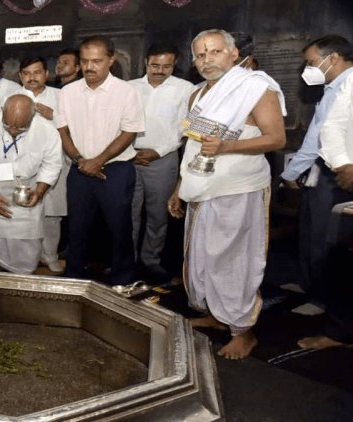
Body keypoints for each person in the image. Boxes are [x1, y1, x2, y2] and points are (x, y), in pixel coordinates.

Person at [167, 29, 286, 360]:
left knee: (233, 259)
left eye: (215, 52)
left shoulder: (256, 88)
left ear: (234, 54)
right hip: (200, 187)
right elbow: (193, 145)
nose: (207, 60)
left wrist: (227, 146)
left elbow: (276, 139)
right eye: (201, 55)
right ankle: (219, 316)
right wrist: (180, 187)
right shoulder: (197, 95)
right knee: (202, 257)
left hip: (239, 187)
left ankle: (243, 331)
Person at [57, 36, 145, 284]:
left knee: (119, 228)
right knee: (77, 228)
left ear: (111, 60)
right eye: (84, 61)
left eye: (96, 61)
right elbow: (62, 130)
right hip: (79, 169)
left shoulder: (127, 92)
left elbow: (129, 132)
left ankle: (123, 281)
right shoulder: (68, 92)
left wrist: (98, 160)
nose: (89, 67)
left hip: (115, 170)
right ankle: (74, 278)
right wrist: (79, 159)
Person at [281, 35, 353, 312]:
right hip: (323, 169)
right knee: (310, 229)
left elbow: (319, 138)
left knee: (327, 237)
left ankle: (321, 298)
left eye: (311, 62)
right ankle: (308, 283)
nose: (307, 69)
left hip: (338, 171)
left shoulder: (346, 86)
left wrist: (292, 171)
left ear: (332, 58)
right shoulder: (333, 87)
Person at [0, 94, 62, 273]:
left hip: (27, 193)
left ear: (33, 116)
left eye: (20, 127)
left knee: (27, 247)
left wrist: (40, 192)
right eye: (8, 125)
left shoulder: (47, 131)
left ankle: (22, 278)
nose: (12, 130)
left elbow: (52, 166)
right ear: (2, 111)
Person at [127, 43, 194, 280]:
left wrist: (159, 151)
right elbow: (119, 122)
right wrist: (128, 151)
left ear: (174, 65)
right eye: (155, 65)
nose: (160, 70)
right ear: (146, 62)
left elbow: (185, 127)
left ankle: (151, 260)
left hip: (163, 159)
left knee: (158, 214)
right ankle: (128, 259)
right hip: (129, 157)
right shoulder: (129, 88)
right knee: (129, 213)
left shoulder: (186, 89)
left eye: (166, 66)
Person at [18, 57, 67, 273]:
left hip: (55, 162)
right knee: (23, 212)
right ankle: (26, 257)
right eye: (27, 73)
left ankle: (50, 255)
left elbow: (75, 126)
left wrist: (53, 115)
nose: (32, 77)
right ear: (20, 76)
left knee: (52, 214)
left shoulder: (60, 96)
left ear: (46, 74)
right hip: (21, 163)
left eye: (37, 72)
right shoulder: (13, 97)